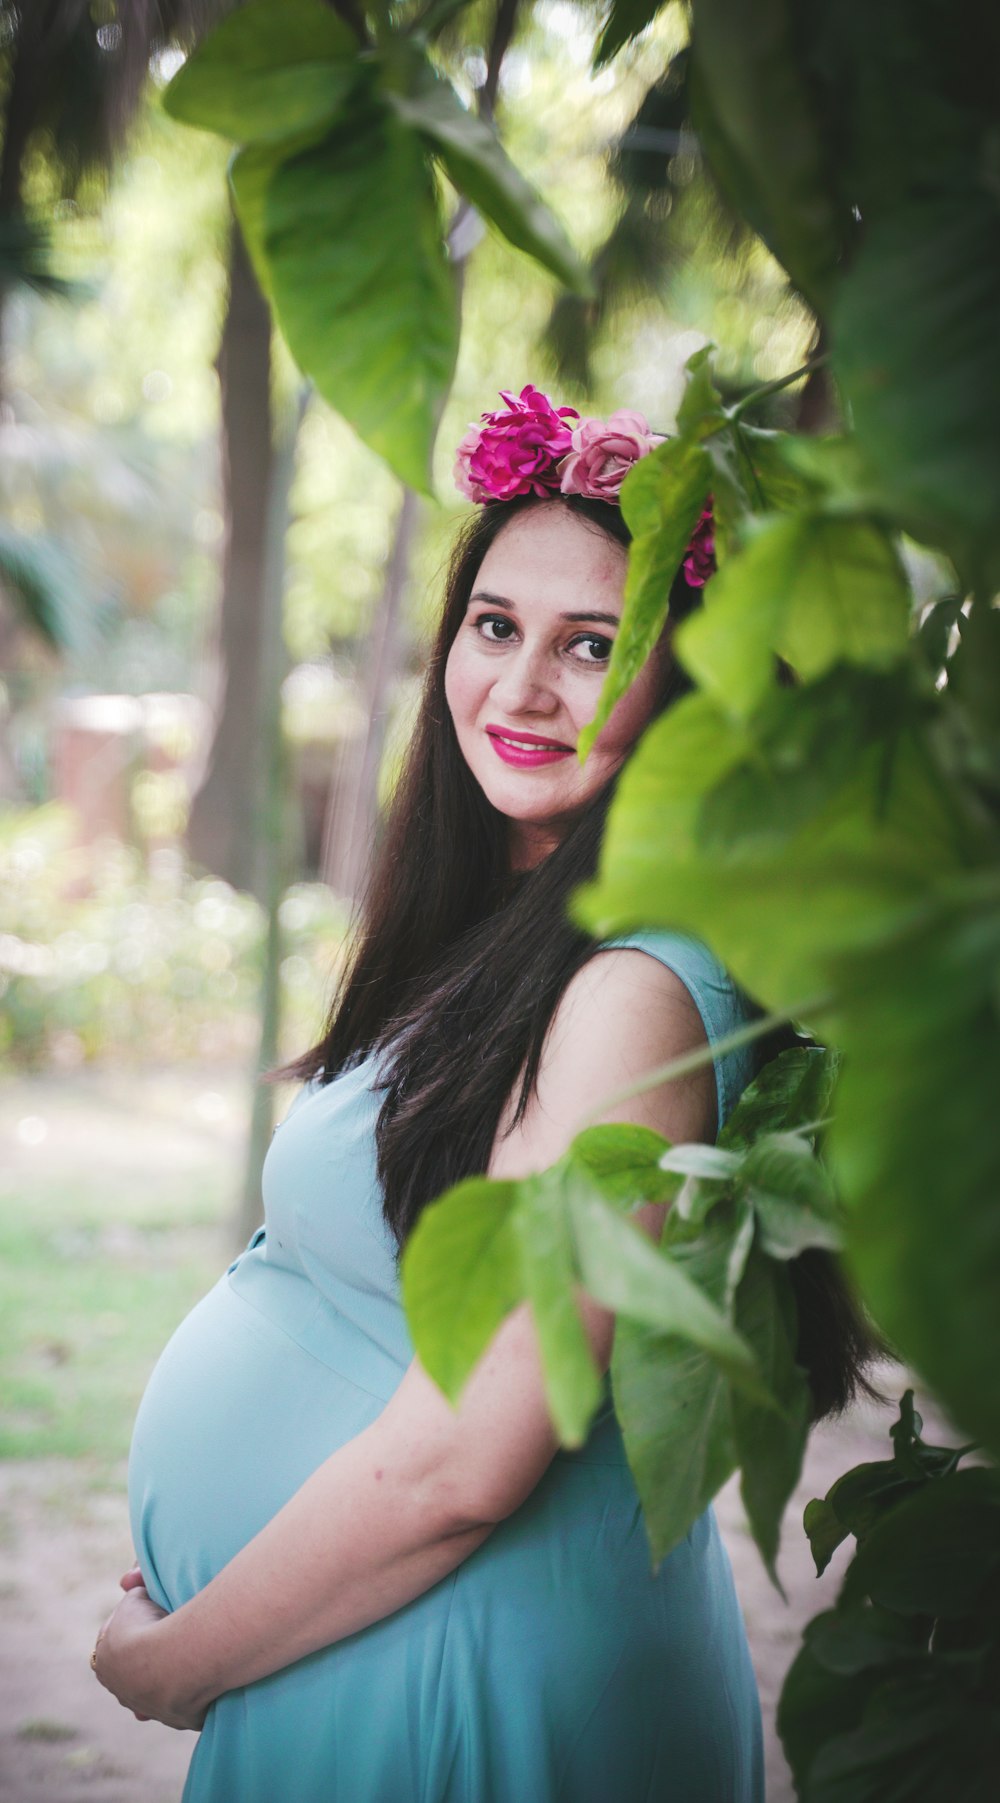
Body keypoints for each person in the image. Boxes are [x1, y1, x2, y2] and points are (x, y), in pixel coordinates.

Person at [92, 386, 874, 1801]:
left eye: (595, 646)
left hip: (466, 1681)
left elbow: (463, 1461)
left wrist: (180, 1658)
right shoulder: (506, 933)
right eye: (497, 625)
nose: (519, 689)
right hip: (381, 1656)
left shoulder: (638, 993)